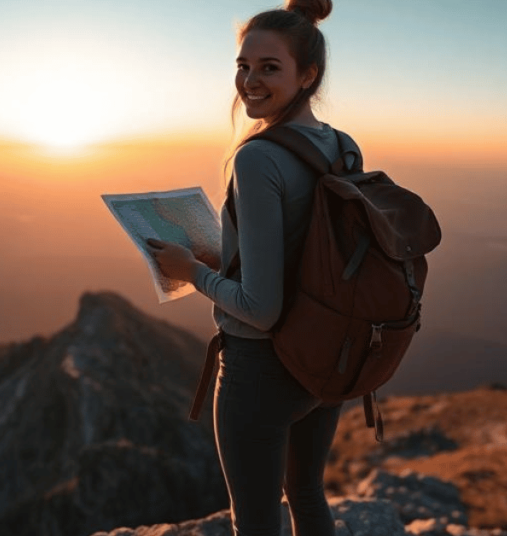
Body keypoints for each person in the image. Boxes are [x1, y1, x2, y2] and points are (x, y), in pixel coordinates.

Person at [147, 1, 351, 535]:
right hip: (325, 358)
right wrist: (225, 257)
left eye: (269, 67)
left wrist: (192, 270)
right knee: (306, 494)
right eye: (243, 66)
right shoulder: (341, 146)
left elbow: (261, 310)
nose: (249, 81)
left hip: (261, 372)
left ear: (308, 75)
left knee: (256, 523)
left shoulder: (257, 157)